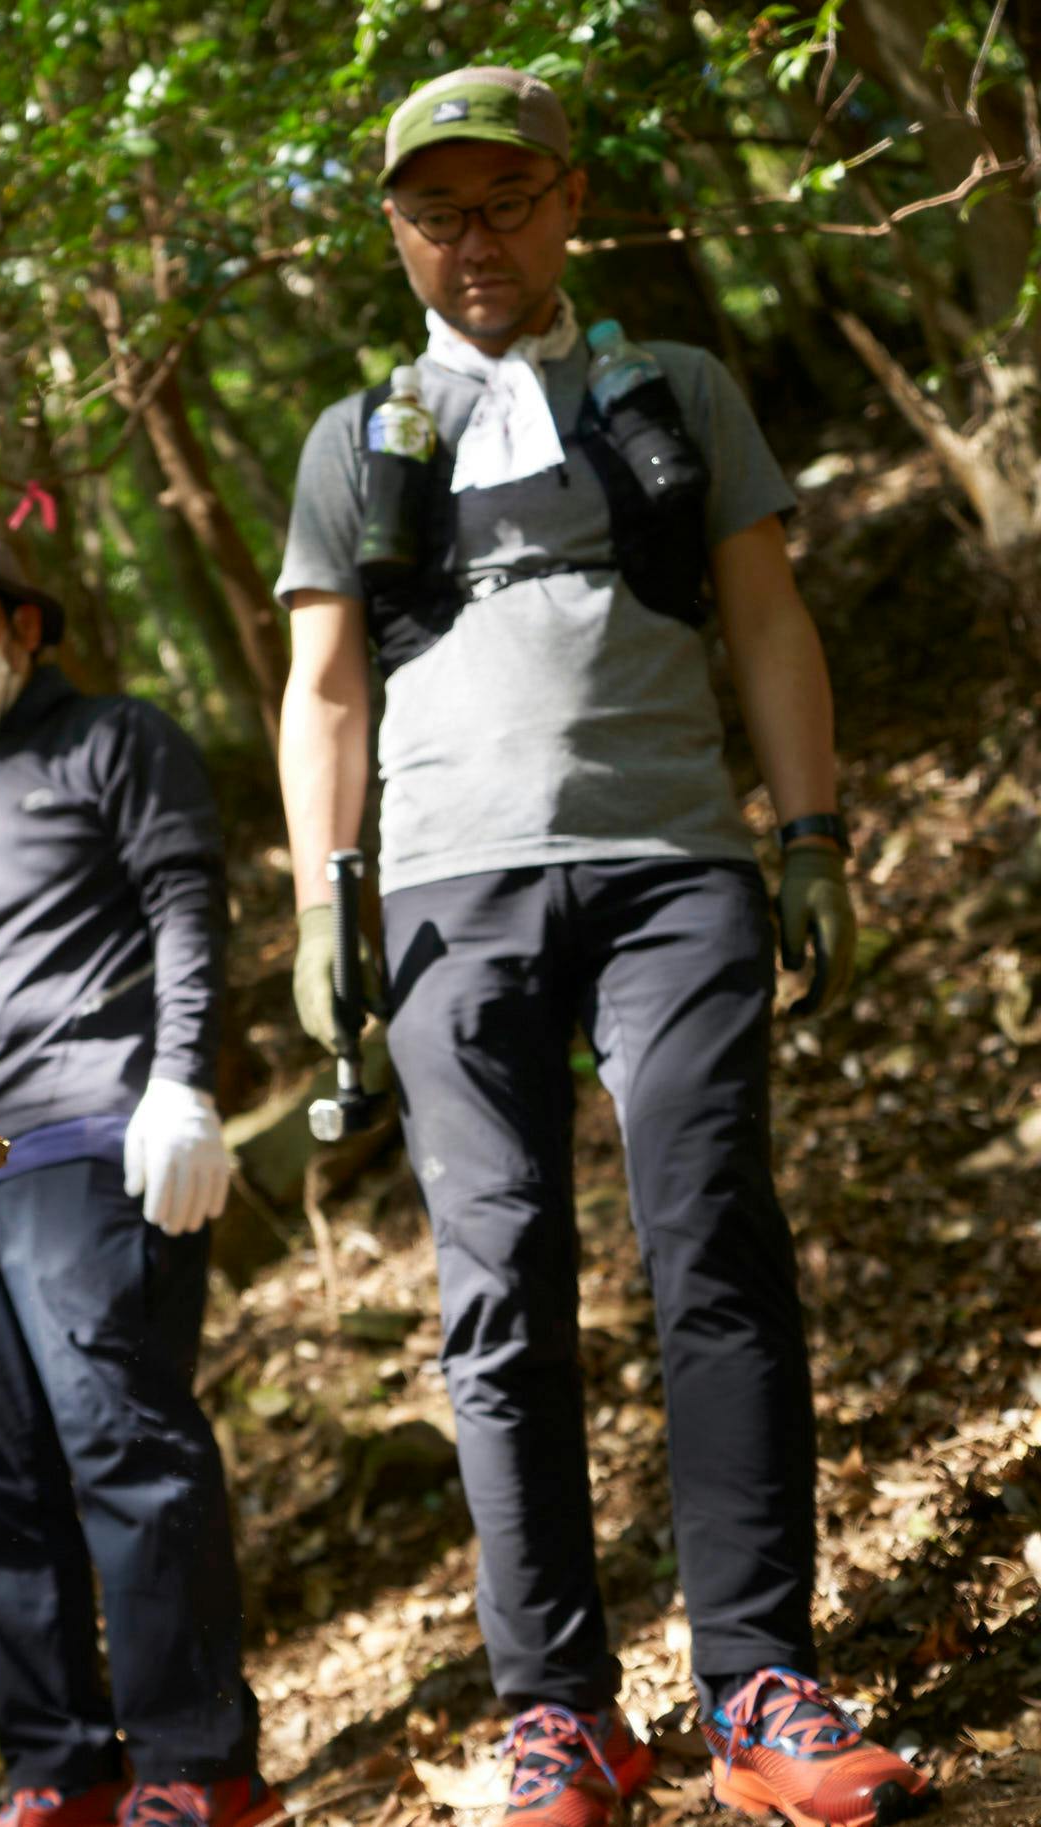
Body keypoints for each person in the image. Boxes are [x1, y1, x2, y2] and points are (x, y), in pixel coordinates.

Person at [273, 66, 936, 1827]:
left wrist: (809, 837)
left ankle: (759, 1681)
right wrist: (319, 898)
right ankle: (560, 1714)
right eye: (435, 212)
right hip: (440, 893)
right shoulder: (355, 442)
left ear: (570, 201)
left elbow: (768, 614)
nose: (471, 240)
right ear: (395, 232)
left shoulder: (678, 392)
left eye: (503, 201)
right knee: (497, 1297)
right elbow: (323, 684)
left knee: (710, 1230)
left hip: (667, 865)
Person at [0, 530, 276, 1827]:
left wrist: (183, 1081)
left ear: (23, 626)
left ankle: (198, 1763)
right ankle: (58, 1768)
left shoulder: (116, 739)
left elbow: (184, 906)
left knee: (123, 1440)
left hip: (98, 1139)